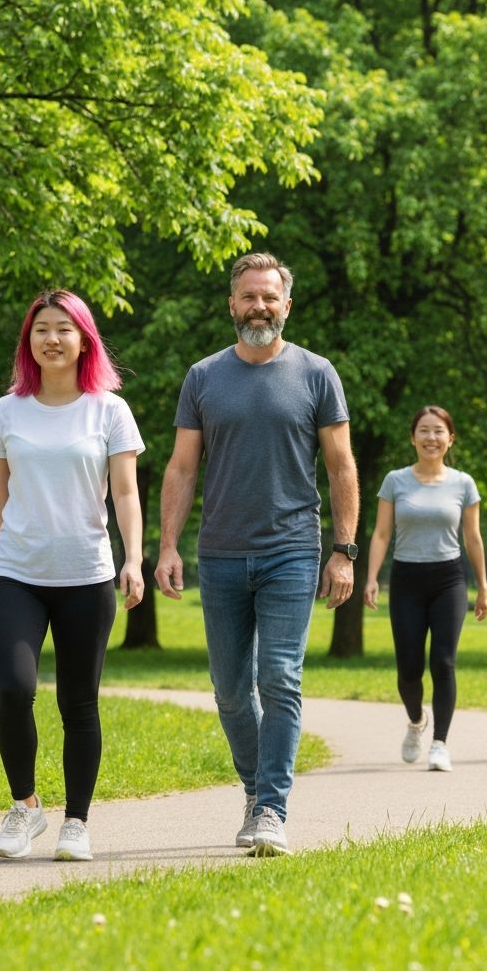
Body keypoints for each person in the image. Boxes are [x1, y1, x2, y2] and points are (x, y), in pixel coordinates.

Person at [154, 252, 358, 858]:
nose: (260, 307)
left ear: (286, 305)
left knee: (280, 677)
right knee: (228, 690)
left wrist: (344, 552)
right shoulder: (203, 377)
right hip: (218, 552)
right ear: (232, 304)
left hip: (292, 549)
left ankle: (270, 808)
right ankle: (254, 788)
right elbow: (182, 466)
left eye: (270, 297)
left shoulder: (317, 374)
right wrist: (167, 545)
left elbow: (342, 467)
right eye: (249, 296)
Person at [0, 289, 145, 861]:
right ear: (29, 342)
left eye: (63, 329)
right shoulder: (7, 411)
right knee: (13, 689)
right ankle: (25, 807)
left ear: (84, 339)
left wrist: (133, 558)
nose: (52, 338)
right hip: (18, 573)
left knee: (79, 702)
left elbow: (124, 492)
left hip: (86, 576)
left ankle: (77, 821)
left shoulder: (109, 410)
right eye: (41, 329)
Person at [364, 406, 487, 772]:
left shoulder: (463, 483)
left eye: (438, 431)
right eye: (424, 430)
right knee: (408, 669)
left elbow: (473, 538)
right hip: (406, 580)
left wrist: (482, 586)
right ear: (413, 438)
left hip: (449, 579)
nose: (431, 438)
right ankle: (418, 721)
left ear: (450, 439)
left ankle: (440, 743)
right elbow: (382, 533)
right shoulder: (395, 480)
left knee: (444, 661)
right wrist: (371, 578)